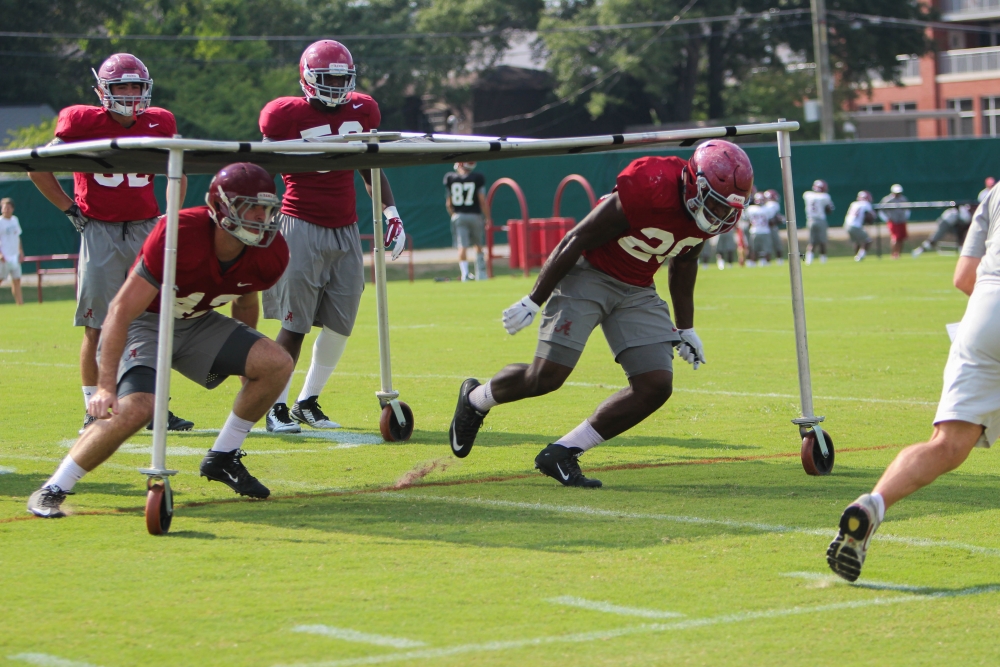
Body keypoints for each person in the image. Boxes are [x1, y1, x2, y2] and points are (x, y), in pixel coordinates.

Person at [446, 141, 753, 487]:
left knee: (655, 385)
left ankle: (564, 451)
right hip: (589, 272)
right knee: (546, 377)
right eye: (713, 202)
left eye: (727, 207)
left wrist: (686, 328)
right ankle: (476, 399)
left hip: (637, 286)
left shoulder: (706, 217)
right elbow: (576, 239)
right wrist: (534, 299)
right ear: (694, 183)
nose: (719, 215)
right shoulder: (649, 183)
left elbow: (684, 262)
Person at [27, 163, 293, 518]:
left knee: (277, 363)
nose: (262, 217)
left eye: (267, 207)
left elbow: (245, 301)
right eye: (251, 207)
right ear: (221, 206)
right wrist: (105, 386)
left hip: (198, 322)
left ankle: (223, 456)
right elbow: (121, 309)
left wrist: (248, 363)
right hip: (146, 321)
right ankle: (53, 487)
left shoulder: (272, 251)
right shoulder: (180, 232)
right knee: (138, 407)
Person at [827, 183, 1000, 581]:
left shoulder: (993, 194)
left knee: (947, 445)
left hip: (983, 313)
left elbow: (963, 276)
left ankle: (873, 503)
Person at [27, 53, 192, 434]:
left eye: (137, 86)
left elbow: (179, 170)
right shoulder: (81, 120)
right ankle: (92, 406)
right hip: (100, 229)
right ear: (104, 91)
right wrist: (70, 208)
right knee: (96, 324)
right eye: (122, 87)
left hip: (147, 228)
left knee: (153, 321)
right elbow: (37, 166)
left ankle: (154, 406)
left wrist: (171, 215)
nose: (131, 95)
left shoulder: (160, 121)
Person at [259, 40, 407, 434]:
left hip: (346, 228)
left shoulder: (364, 109)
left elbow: (369, 167)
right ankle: (276, 406)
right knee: (295, 324)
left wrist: (391, 212)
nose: (337, 86)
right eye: (328, 78)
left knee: (341, 322)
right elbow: (266, 168)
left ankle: (308, 400)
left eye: (343, 78)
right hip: (299, 224)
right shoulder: (283, 115)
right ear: (307, 78)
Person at [444, 161, 490, 281]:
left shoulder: (451, 178)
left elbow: (448, 203)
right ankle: (481, 274)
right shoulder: (477, 177)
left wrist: (454, 215)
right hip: (474, 215)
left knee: (462, 246)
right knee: (478, 244)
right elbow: (482, 200)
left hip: (458, 215)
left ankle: (465, 274)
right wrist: (487, 217)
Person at [803, 180, 833, 264]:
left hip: (810, 220)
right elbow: (829, 209)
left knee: (812, 242)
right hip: (820, 220)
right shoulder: (825, 196)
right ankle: (823, 260)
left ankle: (808, 260)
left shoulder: (807, 195)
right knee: (822, 241)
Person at [0, 198, 24, 305]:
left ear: (12, 209)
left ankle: (20, 304)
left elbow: (17, 236)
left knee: (17, 280)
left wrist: (21, 252)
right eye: (4, 207)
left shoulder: (15, 220)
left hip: (15, 255)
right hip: (4, 256)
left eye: (8, 207)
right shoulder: (0, 222)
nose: (6, 209)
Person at [878, 184, 909, 259]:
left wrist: (906, 217)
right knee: (895, 237)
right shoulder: (888, 200)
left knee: (901, 238)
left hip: (901, 220)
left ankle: (899, 254)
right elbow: (880, 210)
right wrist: (886, 219)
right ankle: (894, 254)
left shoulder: (903, 199)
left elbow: (908, 209)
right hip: (893, 221)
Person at [843, 191, 875, 261]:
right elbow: (871, 216)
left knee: (857, 242)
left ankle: (856, 257)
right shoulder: (866, 204)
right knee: (868, 240)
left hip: (847, 225)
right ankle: (860, 256)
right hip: (855, 225)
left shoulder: (854, 204)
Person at [747, 192, 773, 266]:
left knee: (754, 249)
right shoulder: (768, 208)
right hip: (764, 231)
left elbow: (749, 221)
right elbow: (771, 221)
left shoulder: (751, 209)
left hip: (754, 230)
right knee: (765, 249)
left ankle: (752, 263)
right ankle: (765, 262)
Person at [763, 189, 785, 265]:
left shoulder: (763, 206)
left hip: (762, 229)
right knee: (776, 244)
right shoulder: (773, 205)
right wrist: (780, 220)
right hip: (770, 228)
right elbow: (771, 220)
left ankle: (765, 262)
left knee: (765, 246)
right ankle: (779, 260)